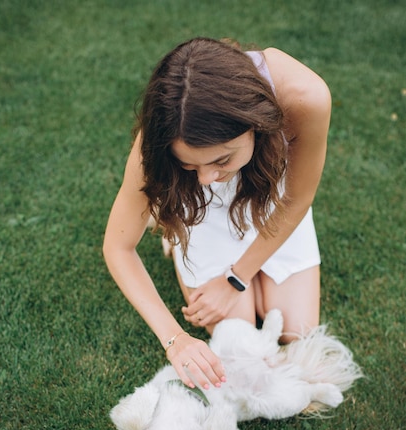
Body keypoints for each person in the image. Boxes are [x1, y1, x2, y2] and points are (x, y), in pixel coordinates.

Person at [103, 37, 332, 391]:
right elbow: (118, 247)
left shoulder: (305, 96)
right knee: (237, 335)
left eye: (221, 160)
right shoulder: (161, 138)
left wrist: (235, 279)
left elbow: (298, 198)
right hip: (197, 207)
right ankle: (176, 233)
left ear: (255, 124)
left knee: (296, 329)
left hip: (271, 194)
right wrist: (175, 339)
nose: (209, 178)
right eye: (189, 162)